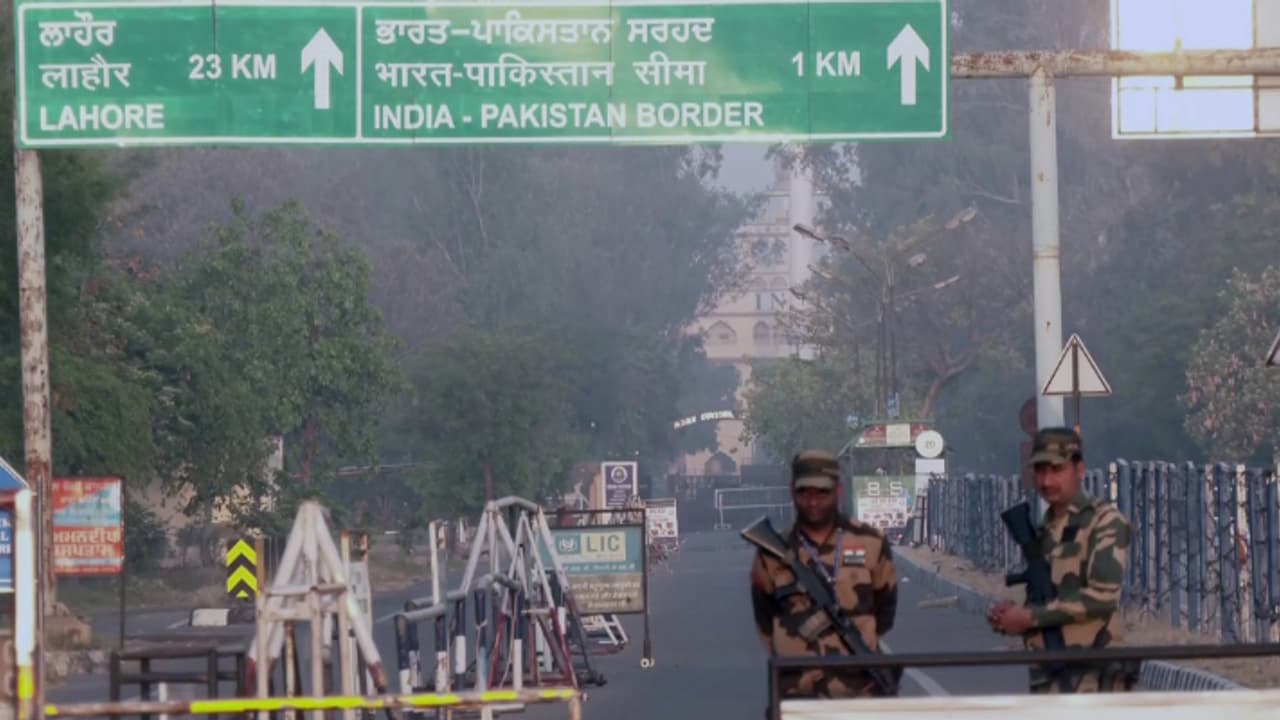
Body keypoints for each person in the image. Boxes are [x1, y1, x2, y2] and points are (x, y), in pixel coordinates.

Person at [987, 427, 1135, 693]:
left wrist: (1030, 618)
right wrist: (1011, 615)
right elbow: (1053, 596)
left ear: (1079, 470)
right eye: (1040, 471)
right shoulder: (1046, 529)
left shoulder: (1104, 522)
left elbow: (1102, 597)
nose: (1046, 481)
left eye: (1056, 470)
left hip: (1092, 674)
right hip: (1050, 672)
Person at [750, 449, 899, 699]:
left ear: (838, 491)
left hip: (858, 690)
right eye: (804, 492)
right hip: (797, 693)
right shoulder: (773, 551)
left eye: (822, 492)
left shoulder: (870, 542)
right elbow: (764, 618)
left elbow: (885, 610)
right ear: (791, 492)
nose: (813, 501)